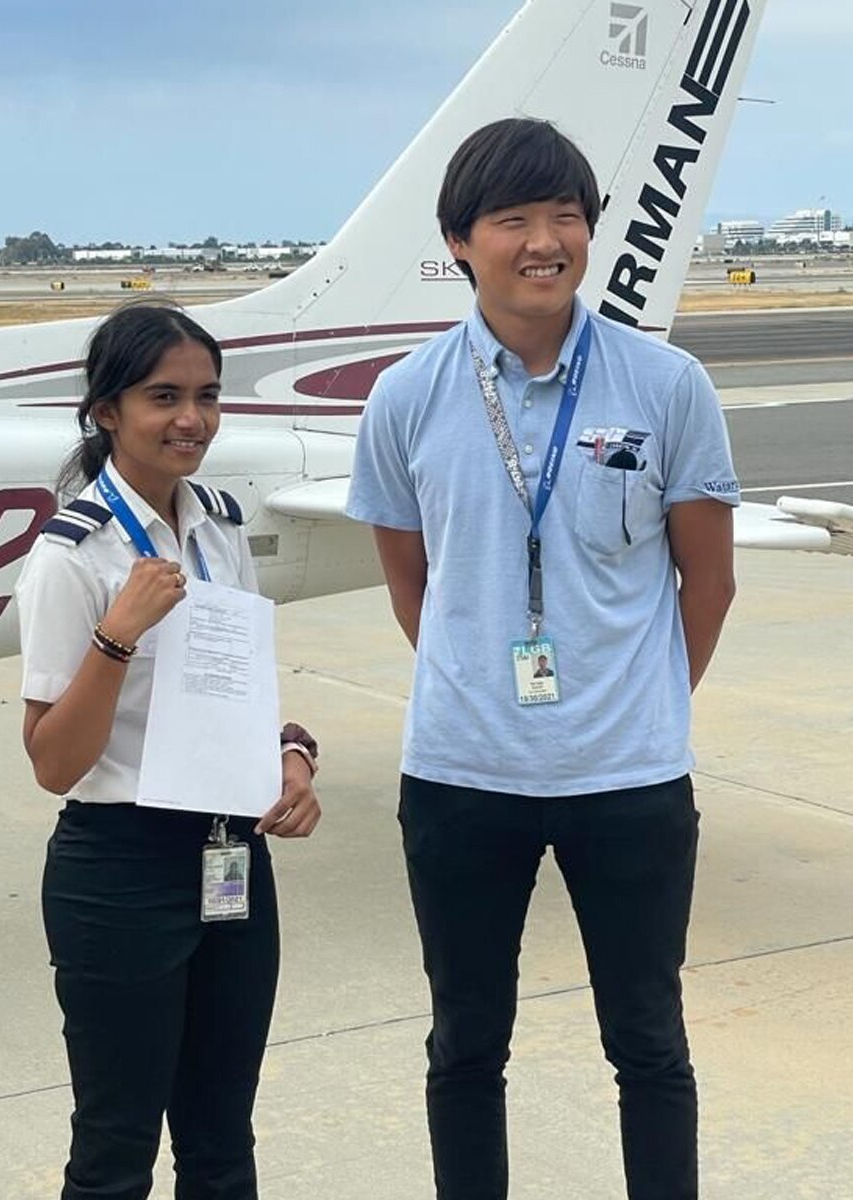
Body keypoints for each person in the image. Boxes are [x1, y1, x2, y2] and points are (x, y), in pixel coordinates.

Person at [346, 119, 738, 1200]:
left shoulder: (666, 386)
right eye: (512, 219)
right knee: (465, 1045)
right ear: (459, 241)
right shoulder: (405, 397)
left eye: (565, 215)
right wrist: (486, 693)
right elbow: (412, 583)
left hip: (631, 777)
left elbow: (708, 580)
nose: (544, 240)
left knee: (649, 1042)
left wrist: (643, 700)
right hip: (463, 777)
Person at [15, 303, 321, 1200]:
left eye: (207, 396)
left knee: (223, 1138)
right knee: (114, 1152)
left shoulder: (222, 527)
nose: (191, 419)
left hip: (230, 856)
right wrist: (117, 636)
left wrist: (292, 757)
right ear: (106, 411)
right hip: (121, 869)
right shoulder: (70, 558)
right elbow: (51, 763)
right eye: (163, 397)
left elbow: (238, 694)